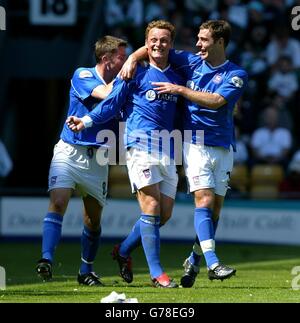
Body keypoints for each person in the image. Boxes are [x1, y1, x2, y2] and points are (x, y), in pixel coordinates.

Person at [121, 20, 248, 287]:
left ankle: (194, 258)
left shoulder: (236, 74)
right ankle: (213, 263)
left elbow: (216, 102)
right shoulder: (191, 62)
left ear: (220, 43)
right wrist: (132, 57)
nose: (198, 45)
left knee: (213, 211)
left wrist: (180, 90)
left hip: (224, 144)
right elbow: (155, 47)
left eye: (204, 40)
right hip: (194, 141)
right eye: (198, 39)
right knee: (203, 198)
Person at [67, 20, 184, 288]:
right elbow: (110, 105)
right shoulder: (134, 74)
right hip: (139, 146)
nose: (158, 44)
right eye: (153, 40)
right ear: (147, 42)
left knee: (162, 215)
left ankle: (122, 251)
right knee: (151, 207)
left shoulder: (178, 76)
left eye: (164, 40)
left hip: (169, 148)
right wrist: (85, 122)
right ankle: (157, 274)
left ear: (171, 44)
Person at [35, 35, 127, 286]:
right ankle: (46, 259)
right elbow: (107, 94)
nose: (126, 61)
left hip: (98, 157)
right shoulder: (83, 75)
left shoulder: (121, 85)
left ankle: (86, 270)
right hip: (69, 150)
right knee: (59, 200)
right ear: (106, 59)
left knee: (93, 220)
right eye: (122, 57)